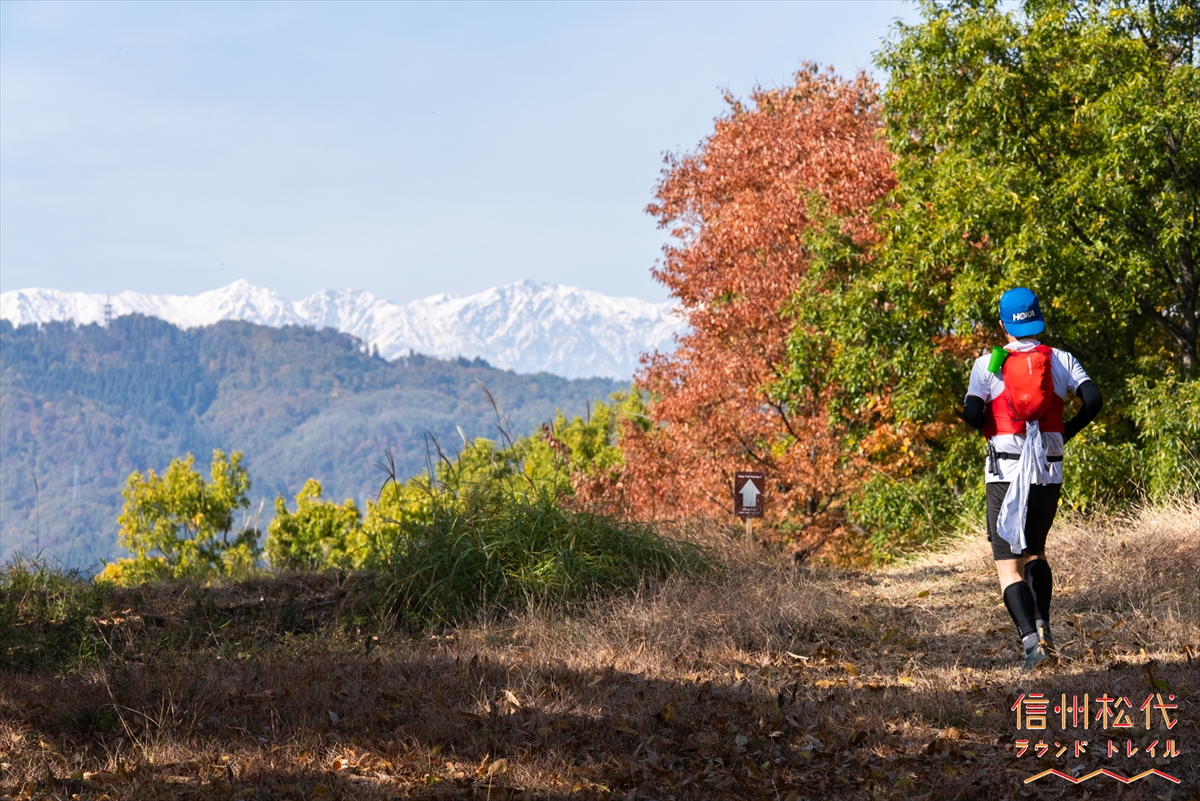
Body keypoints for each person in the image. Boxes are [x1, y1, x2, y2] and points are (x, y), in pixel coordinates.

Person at [961, 288, 1103, 671]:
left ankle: (1030, 646)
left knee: (1009, 565)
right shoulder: (1061, 359)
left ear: (1003, 324)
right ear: (1038, 319)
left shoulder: (988, 364)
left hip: (1005, 472)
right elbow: (1093, 401)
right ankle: (1045, 633)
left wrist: (984, 417)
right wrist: (1065, 432)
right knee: (1035, 552)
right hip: (1048, 470)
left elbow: (972, 415)